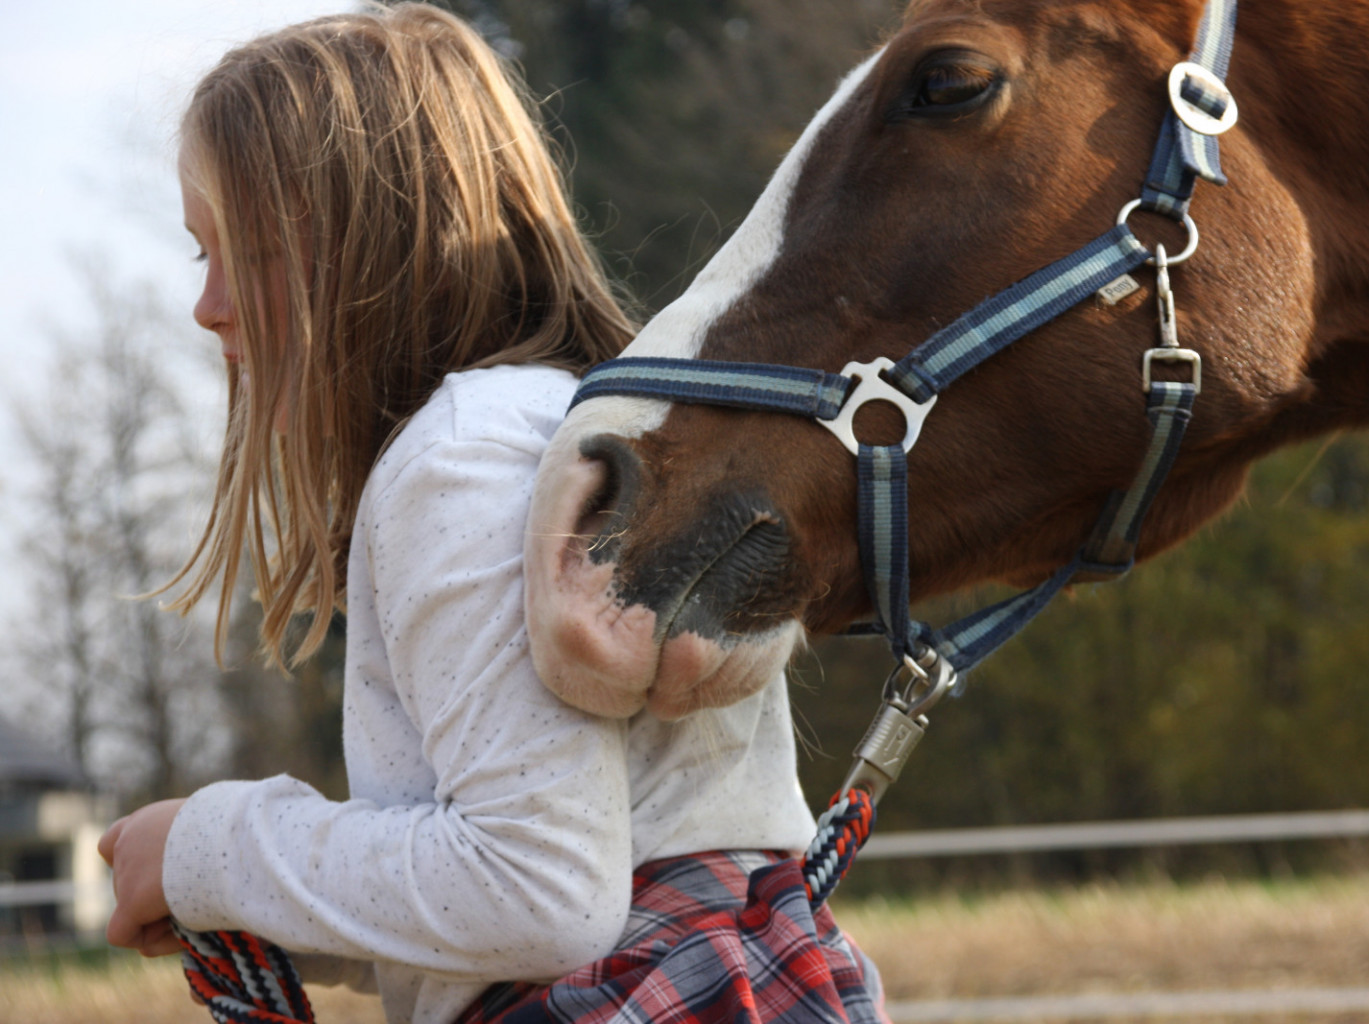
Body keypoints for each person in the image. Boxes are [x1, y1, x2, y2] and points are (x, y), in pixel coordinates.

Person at [95, 7, 883, 1024]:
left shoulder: (463, 459)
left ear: (356, 245)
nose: (206, 305)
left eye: (235, 249)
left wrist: (211, 845)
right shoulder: (570, 428)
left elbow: (536, 894)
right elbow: (531, 897)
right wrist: (249, 901)